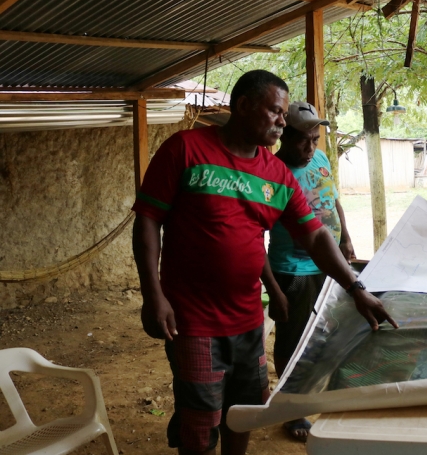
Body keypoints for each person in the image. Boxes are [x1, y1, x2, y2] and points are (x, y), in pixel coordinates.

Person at [131, 70, 397, 455]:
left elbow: (316, 235)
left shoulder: (276, 174)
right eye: (275, 111)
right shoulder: (185, 149)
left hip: (248, 322)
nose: (282, 122)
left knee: (245, 413)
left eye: (283, 114)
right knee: (201, 423)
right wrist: (153, 294)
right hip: (193, 321)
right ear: (244, 106)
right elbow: (148, 220)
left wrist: (355, 288)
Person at [263, 101, 355, 441]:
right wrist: (273, 287)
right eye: (304, 140)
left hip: (329, 264)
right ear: (283, 137)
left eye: (315, 139)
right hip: (294, 269)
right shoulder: (270, 172)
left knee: (326, 334)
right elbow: (255, 234)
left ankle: (318, 393)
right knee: (293, 342)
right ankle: (293, 409)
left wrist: (345, 237)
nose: (311, 147)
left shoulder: (319, 158)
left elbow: (333, 199)